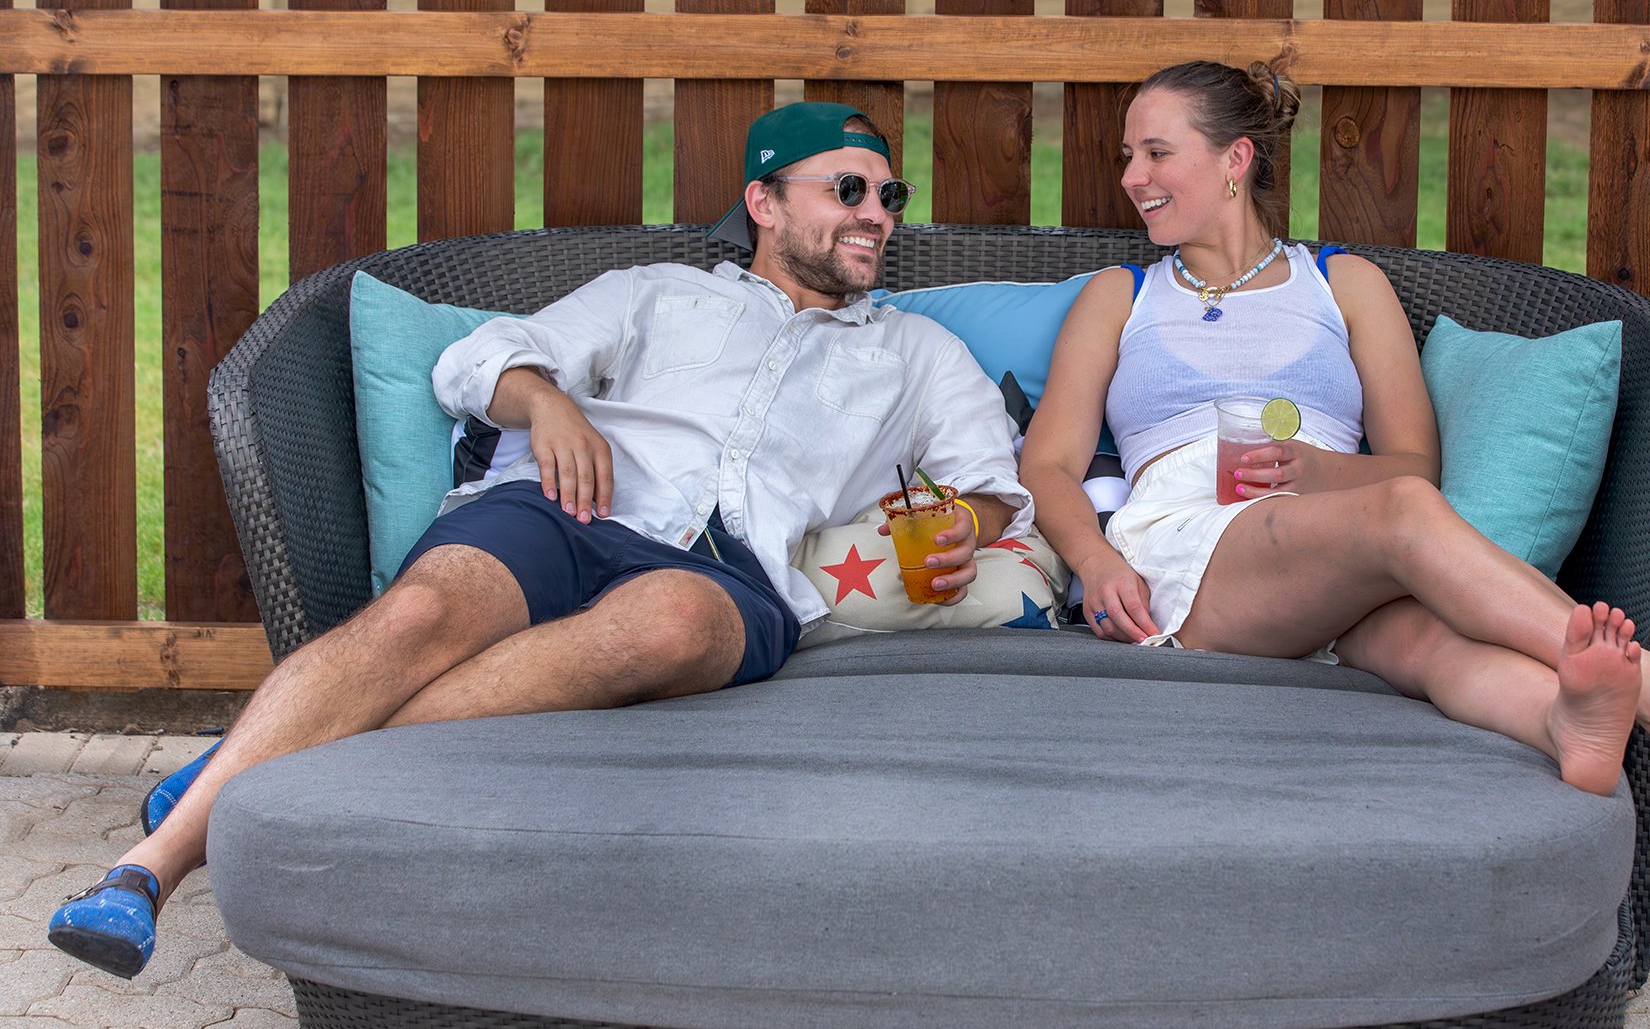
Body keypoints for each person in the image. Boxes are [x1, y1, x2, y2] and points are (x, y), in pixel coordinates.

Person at [48, 101, 1031, 980]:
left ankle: (239, 769)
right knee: (423, 611)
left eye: (888, 195)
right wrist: (548, 402)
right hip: (567, 509)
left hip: (730, 570)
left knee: (667, 624)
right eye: (848, 189)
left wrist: (964, 522)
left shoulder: (916, 351)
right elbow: (480, 360)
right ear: (764, 202)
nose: (876, 214)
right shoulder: (656, 293)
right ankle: (143, 875)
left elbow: (992, 484)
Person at [1019, 59, 1650, 798]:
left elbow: (1414, 463)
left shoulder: (1343, 285)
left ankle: (1562, 722)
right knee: (1403, 514)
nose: (1131, 177)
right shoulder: (1122, 296)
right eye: (1129, 156)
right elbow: (1047, 465)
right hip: (1187, 547)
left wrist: (1316, 472)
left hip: (1326, 544)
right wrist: (1096, 560)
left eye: (1156, 153)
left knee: (1432, 642)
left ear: (1236, 159)